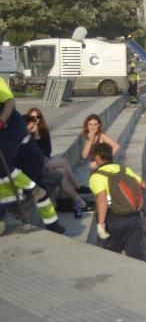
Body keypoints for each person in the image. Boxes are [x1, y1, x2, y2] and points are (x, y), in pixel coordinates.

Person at [0, 78, 65, 233]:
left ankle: (52, 223)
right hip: (8, 140)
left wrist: (2, 119)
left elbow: (9, 102)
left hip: (14, 133)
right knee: (5, 177)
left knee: (13, 172)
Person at [25, 108, 93, 218]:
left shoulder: (43, 131)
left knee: (61, 170)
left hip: (44, 161)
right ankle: (77, 190)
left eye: (38, 117)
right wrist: (34, 133)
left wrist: (37, 133)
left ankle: (76, 200)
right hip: (38, 168)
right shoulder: (25, 137)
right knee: (63, 162)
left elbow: (47, 151)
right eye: (33, 118)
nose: (36, 120)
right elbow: (35, 156)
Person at [88, 142, 146, 259]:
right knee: (136, 255)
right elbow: (144, 185)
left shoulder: (97, 176)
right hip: (134, 217)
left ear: (97, 157)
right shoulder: (124, 169)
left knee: (110, 256)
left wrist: (100, 225)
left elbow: (102, 200)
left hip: (114, 219)